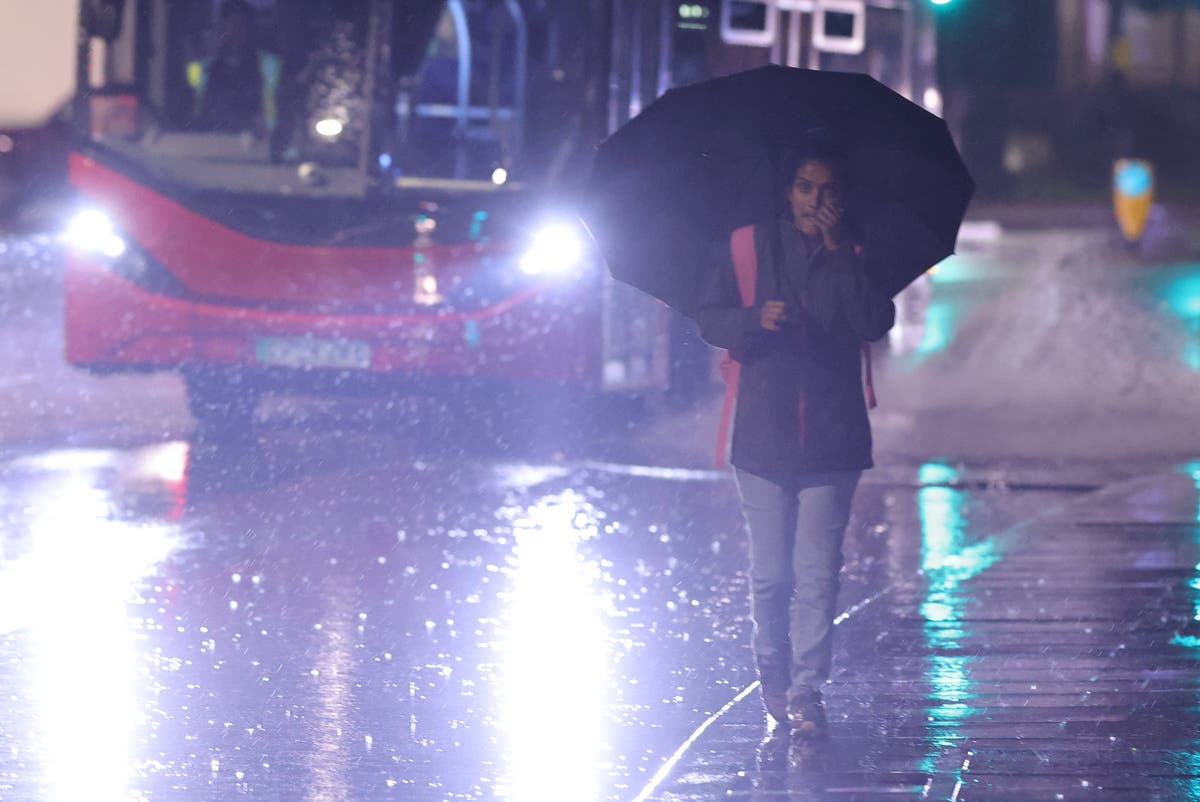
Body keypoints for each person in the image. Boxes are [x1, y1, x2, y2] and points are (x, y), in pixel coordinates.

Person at [693, 138, 895, 737]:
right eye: (806, 187)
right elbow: (710, 319)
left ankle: (806, 688)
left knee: (819, 570)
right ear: (789, 191)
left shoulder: (856, 246)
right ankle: (771, 660)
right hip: (762, 432)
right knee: (772, 574)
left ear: (845, 195)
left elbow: (873, 322)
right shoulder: (746, 244)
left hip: (834, 436)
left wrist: (839, 252)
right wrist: (754, 319)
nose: (817, 200)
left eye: (829, 189)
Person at [187, 0, 281, 135]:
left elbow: (277, 112)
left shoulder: (270, 66)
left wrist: (266, 126)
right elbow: (197, 115)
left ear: (250, 28)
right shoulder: (204, 70)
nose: (236, 31)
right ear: (221, 28)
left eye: (241, 25)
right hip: (210, 148)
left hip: (258, 149)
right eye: (230, 24)